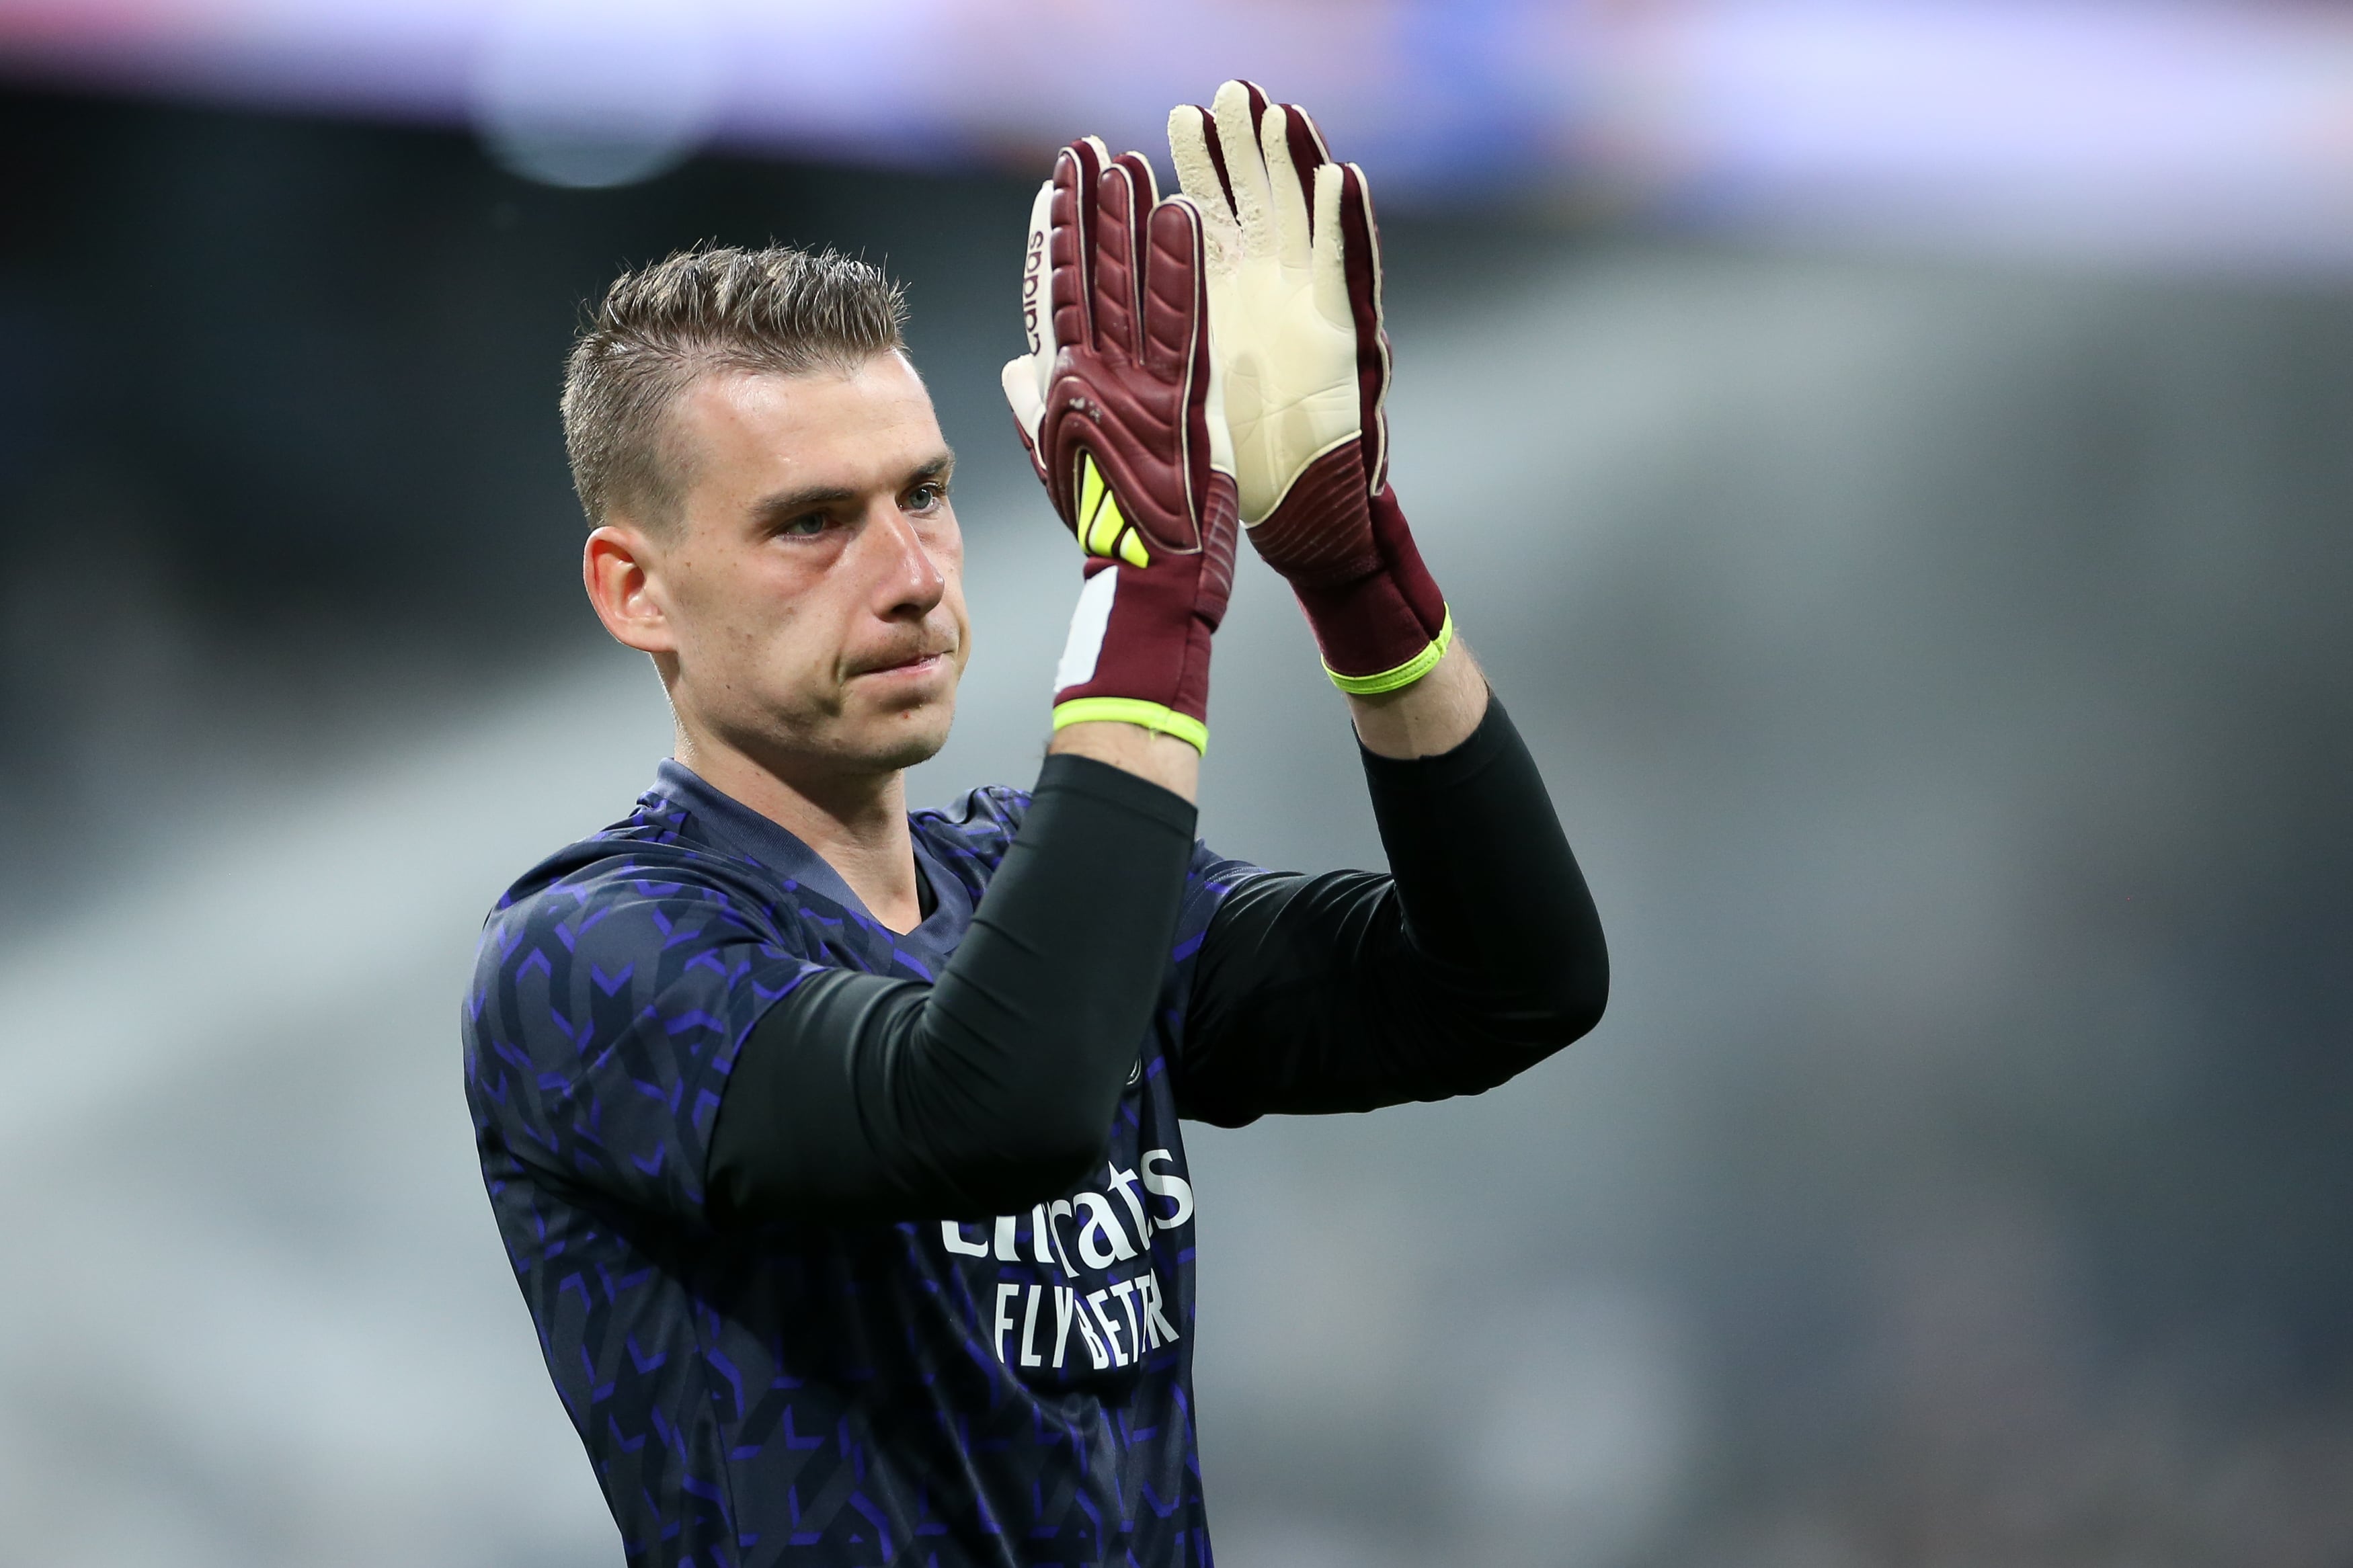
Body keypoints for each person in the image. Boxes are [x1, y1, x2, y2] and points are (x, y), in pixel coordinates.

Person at [464, 81, 1607, 1568]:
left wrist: (1355, 573)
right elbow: (988, 1105)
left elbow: (1510, 982)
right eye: (811, 522)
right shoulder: (587, 958)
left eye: (926, 496)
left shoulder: (1022, 879)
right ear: (635, 590)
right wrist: (1150, 597)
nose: (911, 573)